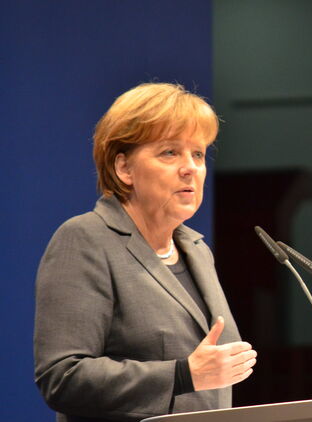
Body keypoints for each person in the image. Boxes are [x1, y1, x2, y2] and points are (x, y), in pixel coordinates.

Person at [34, 82, 257, 422]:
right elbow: (62, 377)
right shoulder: (86, 240)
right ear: (124, 169)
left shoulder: (197, 250)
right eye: (170, 153)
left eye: (198, 154)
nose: (190, 168)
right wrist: (182, 374)